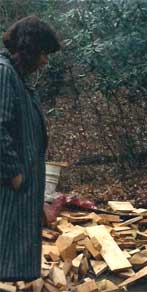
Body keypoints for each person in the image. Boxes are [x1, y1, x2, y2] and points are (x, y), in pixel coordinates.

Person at [0, 15, 61, 281]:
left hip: (20, 188)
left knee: (10, 260)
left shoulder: (18, 77)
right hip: (8, 186)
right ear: (30, 48)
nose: (46, 61)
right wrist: (14, 174)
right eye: (44, 53)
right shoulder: (3, 73)